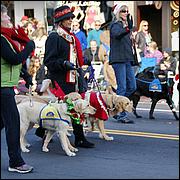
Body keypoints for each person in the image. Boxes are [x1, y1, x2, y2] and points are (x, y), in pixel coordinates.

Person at [36, 5, 94, 148]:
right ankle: (43, 129)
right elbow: (48, 61)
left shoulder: (71, 38)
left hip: (73, 77)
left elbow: (76, 59)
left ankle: (79, 137)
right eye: (67, 19)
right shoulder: (54, 37)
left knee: (74, 106)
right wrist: (63, 63)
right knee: (64, 107)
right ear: (60, 21)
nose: (70, 21)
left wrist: (84, 60)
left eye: (71, 18)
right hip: (59, 78)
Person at [1, 4, 35, 173]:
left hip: (6, 86)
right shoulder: (1, 38)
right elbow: (13, 59)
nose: (9, 18)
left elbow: (14, 64)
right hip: (3, 88)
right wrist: (29, 48)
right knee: (13, 124)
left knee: (3, 122)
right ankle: (16, 162)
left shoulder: (7, 37)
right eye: (6, 16)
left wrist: (25, 75)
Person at [109, 4, 136, 123]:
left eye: (127, 11)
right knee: (123, 87)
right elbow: (117, 34)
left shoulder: (126, 28)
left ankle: (116, 105)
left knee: (132, 86)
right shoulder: (115, 25)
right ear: (118, 13)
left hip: (127, 59)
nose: (125, 13)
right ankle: (121, 114)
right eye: (123, 11)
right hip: (119, 60)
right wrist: (127, 29)